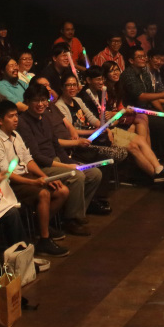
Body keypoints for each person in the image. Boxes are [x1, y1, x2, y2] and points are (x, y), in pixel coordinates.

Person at [0, 100, 69, 257]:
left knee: (62, 191)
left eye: (16, 115)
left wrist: (45, 177)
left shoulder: (16, 135)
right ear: (0, 120)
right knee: (43, 193)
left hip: (25, 176)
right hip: (9, 184)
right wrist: (34, 182)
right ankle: (44, 239)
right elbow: (6, 174)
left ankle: (40, 226)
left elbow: (28, 160)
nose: (16, 119)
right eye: (11, 116)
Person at [17, 85, 102, 232]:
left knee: (94, 174)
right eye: (36, 100)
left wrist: (70, 162)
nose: (40, 104)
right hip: (41, 167)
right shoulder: (23, 122)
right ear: (28, 102)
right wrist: (68, 167)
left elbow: (56, 145)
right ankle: (71, 220)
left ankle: (76, 212)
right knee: (77, 176)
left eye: (43, 100)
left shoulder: (45, 118)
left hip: (56, 161)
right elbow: (36, 156)